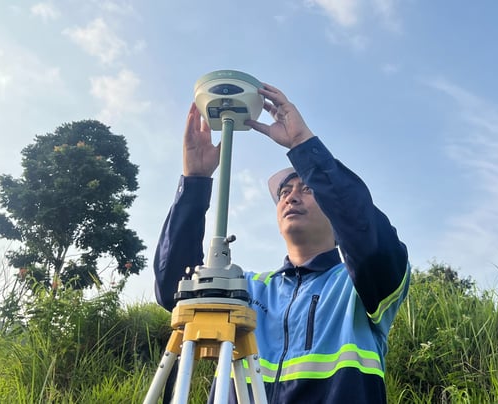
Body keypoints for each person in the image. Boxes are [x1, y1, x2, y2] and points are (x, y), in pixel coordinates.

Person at [154, 83, 411, 403]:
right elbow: (174, 290)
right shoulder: (248, 290)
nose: (291, 197)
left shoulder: (360, 289)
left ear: (335, 211)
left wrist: (303, 144)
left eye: (307, 189)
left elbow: (371, 242)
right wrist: (195, 183)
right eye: (285, 192)